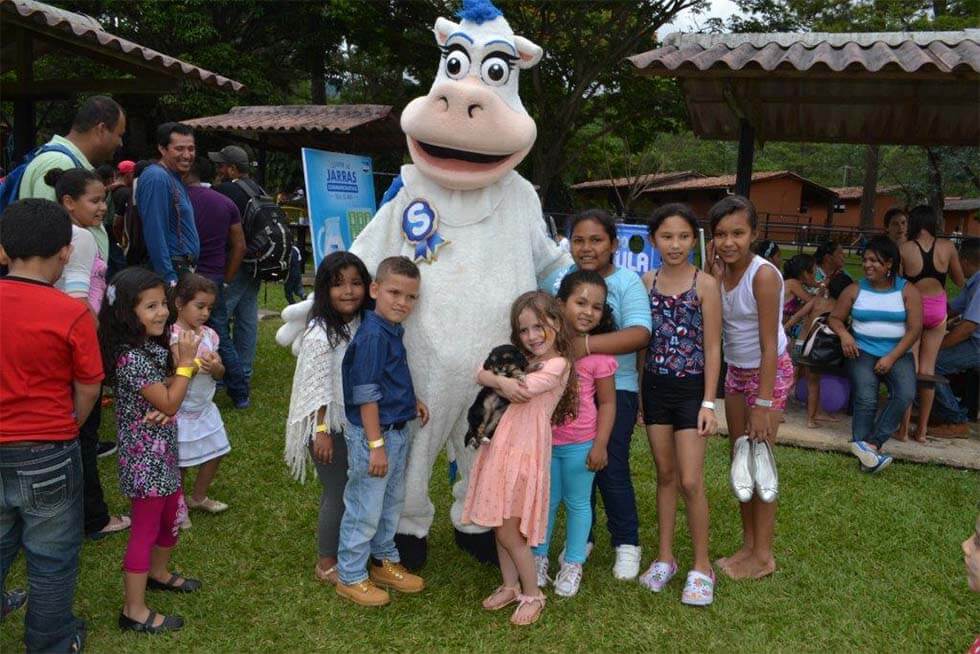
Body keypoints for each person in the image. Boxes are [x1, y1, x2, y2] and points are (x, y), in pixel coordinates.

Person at [0, 199, 102, 653]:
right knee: (51, 559)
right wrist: (70, 425)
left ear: (5, 249)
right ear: (64, 253)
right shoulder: (71, 313)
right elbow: (88, 385)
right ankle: (51, 643)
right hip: (47, 450)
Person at [545, 208, 651, 580]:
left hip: (613, 388)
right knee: (575, 468)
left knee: (609, 464)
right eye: (578, 240)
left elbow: (640, 333)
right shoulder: (561, 279)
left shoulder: (627, 282)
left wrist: (583, 346)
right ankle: (582, 540)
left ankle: (626, 543)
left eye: (596, 240)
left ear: (613, 244)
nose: (586, 248)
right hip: (564, 390)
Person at [98, 267, 203, 634]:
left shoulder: (148, 348)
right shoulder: (131, 359)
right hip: (144, 461)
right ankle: (134, 610)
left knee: (172, 515)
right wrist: (185, 369)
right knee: (144, 529)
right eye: (150, 306)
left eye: (163, 304)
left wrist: (167, 394)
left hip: (163, 454)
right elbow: (172, 399)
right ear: (128, 313)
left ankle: (158, 573)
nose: (161, 313)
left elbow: (166, 396)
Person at [463, 291, 575, 626]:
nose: (532, 336)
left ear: (556, 322)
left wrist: (492, 378)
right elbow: (479, 373)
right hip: (501, 449)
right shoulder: (527, 362)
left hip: (524, 453)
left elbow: (519, 389)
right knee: (500, 524)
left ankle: (533, 593)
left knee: (512, 533)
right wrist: (493, 378)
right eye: (524, 330)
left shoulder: (557, 365)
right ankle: (510, 585)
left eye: (539, 326)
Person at [638, 203, 722, 605]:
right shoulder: (646, 281)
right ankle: (665, 558)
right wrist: (639, 395)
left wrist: (709, 402)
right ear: (653, 239)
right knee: (666, 475)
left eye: (684, 236)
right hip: (655, 389)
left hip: (691, 391)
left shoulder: (705, 284)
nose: (675, 244)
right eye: (667, 236)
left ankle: (702, 566)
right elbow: (642, 343)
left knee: (691, 479)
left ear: (694, 239)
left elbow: (712, 346)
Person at [335, 257, 429, 607]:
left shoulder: (391, 330)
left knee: (391, 502)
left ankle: (383, 560)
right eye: (394, 292)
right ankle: (350, 575)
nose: (402, 302)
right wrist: (376, 446)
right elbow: (366, 395)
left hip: (396, 429)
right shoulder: (373, 335)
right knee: (365, 506)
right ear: (375, 289)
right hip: (375, 437)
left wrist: (411, 401)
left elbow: (387, 379)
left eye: (411, 297)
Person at [709, 195, 792, 581]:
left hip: (766, 374)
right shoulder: (718, 273)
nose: (729, 242)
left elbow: (770, 345)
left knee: (762, 463)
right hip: (736, 375)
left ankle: (763, 555)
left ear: (754, 234)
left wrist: (763, 402)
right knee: (741, 461)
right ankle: (747, 546)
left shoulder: (763, 276)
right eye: (721, 234)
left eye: (738, 233)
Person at [46, 167, 131, 540]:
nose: (102, 208)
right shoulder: (79, 238)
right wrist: (92, 349)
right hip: (80, 342)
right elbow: (80, 302)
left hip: (59, 343)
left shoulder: (59, 235)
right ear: (68, 202)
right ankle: (92, 518)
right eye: (94, 201)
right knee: (83, 434)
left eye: (103, 200)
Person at [284, 252, 372, 585]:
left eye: (355, 283)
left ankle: (353, 548)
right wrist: (320, 430)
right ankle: (326, 562)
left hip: (355, 422)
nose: (348, 291)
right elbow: (317, 386)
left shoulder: (363, 323)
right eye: (338, 285)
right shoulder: (321, 333)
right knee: (337, 490)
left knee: (356, 487)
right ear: (324, 289)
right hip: (328, 425)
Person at [532, 271, 616, 598]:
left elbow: (608, 403)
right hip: (544, 443)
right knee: (546, 503)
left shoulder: (599, 358)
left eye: (596, 307)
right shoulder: (543, 349)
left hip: (581, 444)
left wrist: (600, 445)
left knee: (579, 503)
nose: (587, 312)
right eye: (580, 302)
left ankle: (573, 563)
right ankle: (538, 559)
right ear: (559, 304)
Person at [829, 236, 921, 472]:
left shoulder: (907, 290)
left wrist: (891, 357)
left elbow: (915, 330)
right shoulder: (855, 289)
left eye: (875, 261)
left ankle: (870, 444)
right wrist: (845, 335)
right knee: (866, 396)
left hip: (897, 352)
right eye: (866, 260)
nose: (868, 265)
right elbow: (835, 318)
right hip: (862, 351)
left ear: (889, 264)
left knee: (905, 394)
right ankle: (865, 451)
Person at [183, 159, 249, 408]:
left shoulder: (179, 200)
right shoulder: (225, 203)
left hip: (185, 277)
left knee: (179, 331)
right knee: (222, 332)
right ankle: (240, 392)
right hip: (214, 277)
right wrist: (226, 278)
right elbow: (239, 245)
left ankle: (180, 385)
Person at [900, 205, 965, 442]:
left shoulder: (905, 248)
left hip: (914, 307)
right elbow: (959, 281)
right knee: (928, 371)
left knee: (910, 368)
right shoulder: (947, 247)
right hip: (938, 308)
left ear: (914, 223)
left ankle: (903, 428)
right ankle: (923, 430)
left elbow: (898, 283)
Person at [170, 274, 231, 526]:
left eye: (209, 308)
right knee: (180, 463)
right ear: (179, 304)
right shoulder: (174, 335)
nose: (205, 313)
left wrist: (216, 366)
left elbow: (221, 372)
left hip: (205, 408)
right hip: (182, 409)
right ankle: (177, 504)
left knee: (216, 452)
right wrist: (197, 363)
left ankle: (198, 496)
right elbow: (178, 369)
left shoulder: (210, 335)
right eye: (199, 306)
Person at [210, 145, 264, 400]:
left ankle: (229, 374)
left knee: (219, 318)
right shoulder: (257, 189)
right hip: (259, 261)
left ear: (232, 168)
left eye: (221, 165)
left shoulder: (227, 190)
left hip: (235, 261)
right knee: (247, 318)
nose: (218, 170)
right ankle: (244, 369)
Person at [136, 123, 199, 286]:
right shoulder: (157, 177)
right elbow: (155, 231)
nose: (187, 155)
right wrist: (169, 277)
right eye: (179, 149)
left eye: (191, 149)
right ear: (162, 149)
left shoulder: (174, 177)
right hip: (172, 270)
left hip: (182, 267)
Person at [930, 238, 980, 437]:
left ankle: (955, 419)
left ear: (965, 261)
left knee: (932, 364)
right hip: (973, 341)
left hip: (976, 345)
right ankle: (941, 413)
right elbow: (950, 309)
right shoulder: (973, 283)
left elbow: (968, 327)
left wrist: (938, 346)